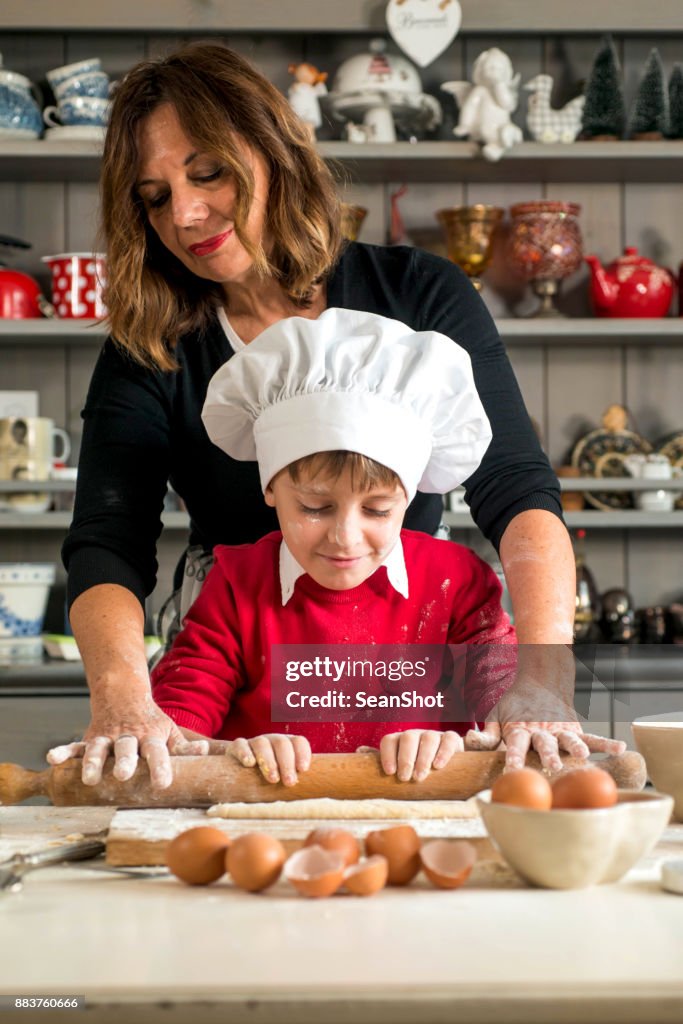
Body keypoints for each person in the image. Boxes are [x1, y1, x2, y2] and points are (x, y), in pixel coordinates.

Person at [49, 41, 622, 790]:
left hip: (406, 661)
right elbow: (107, 540)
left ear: (274, 150)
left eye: (208, 171)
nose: (185, 214)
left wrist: (541, 681)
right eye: (155, 197)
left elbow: (515, 489)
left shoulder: (417, 291)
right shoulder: (152, 341)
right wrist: (124, 697)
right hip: (234, 664)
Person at [150, 308, 516, 785]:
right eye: (315, 507)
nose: (345, 536)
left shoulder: (456, 581)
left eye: (378, 510)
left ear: (409, 498)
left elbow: (505, 691)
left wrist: (461, 738)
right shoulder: (238, 582)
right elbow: (180, 716)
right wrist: (230, 751)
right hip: (273, 834)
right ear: (270, 488)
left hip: (420, 827)